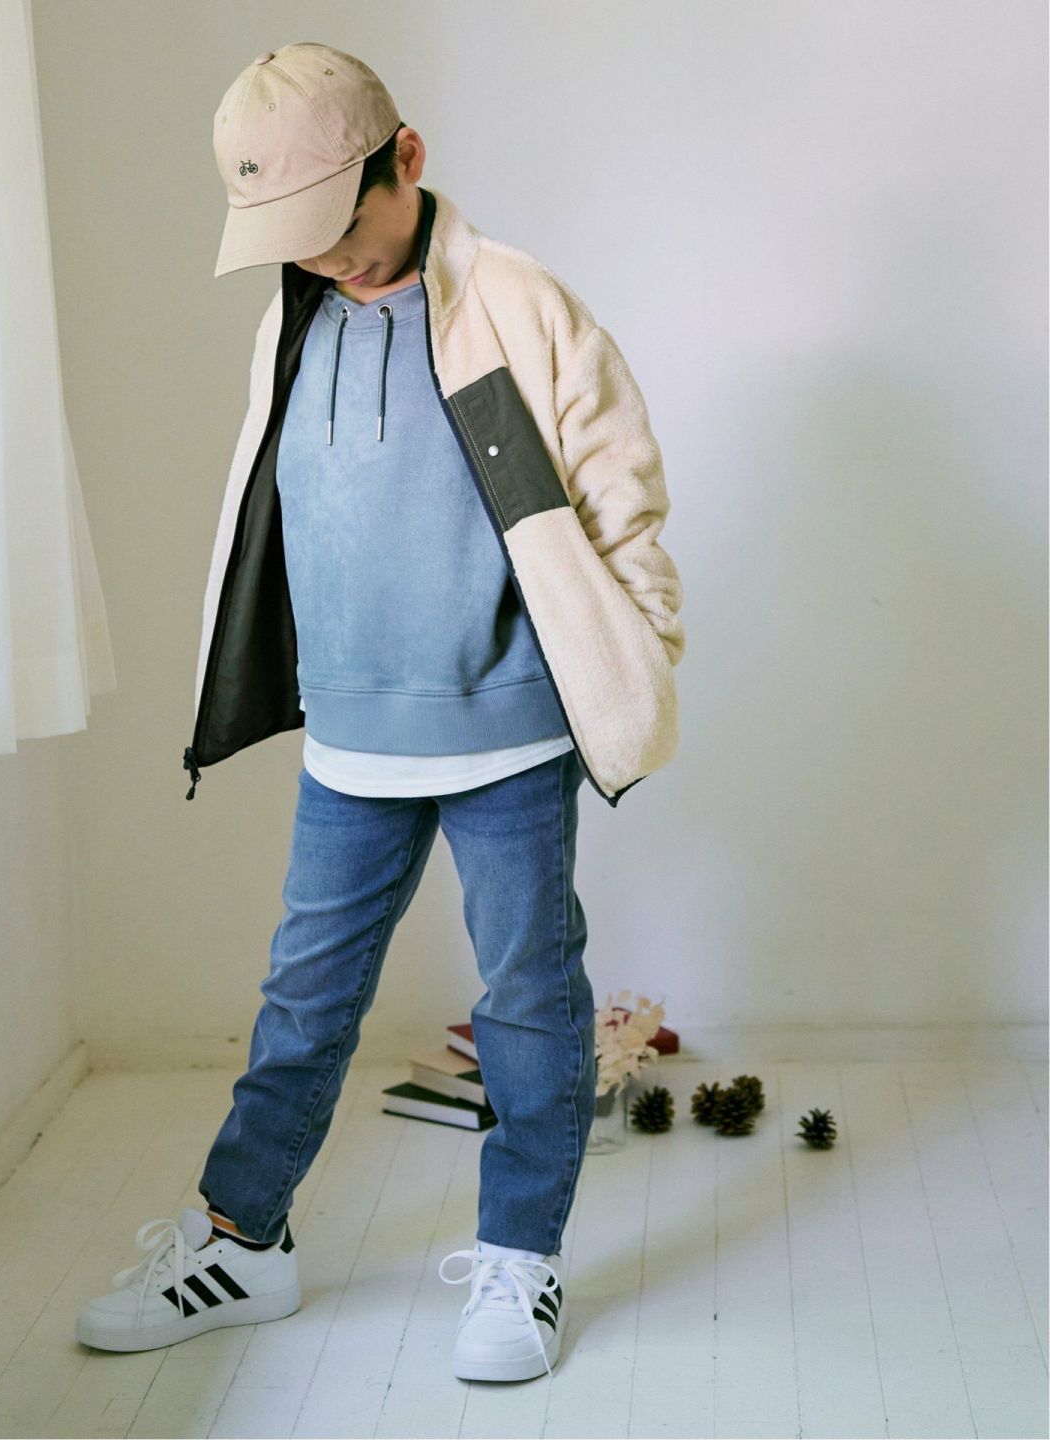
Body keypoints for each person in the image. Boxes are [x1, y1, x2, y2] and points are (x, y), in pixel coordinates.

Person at [77, 41, 684, 1384]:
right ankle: (243, 1239)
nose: (326, 257)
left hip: (509, 729)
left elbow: (620, 495)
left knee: (529, 998)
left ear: (406, 160)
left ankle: (520, 1259)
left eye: (339, 224)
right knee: (304, 997)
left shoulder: (518, 304)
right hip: (352, 737)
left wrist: (630, 653)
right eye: (294, 236)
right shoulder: (296, 313)